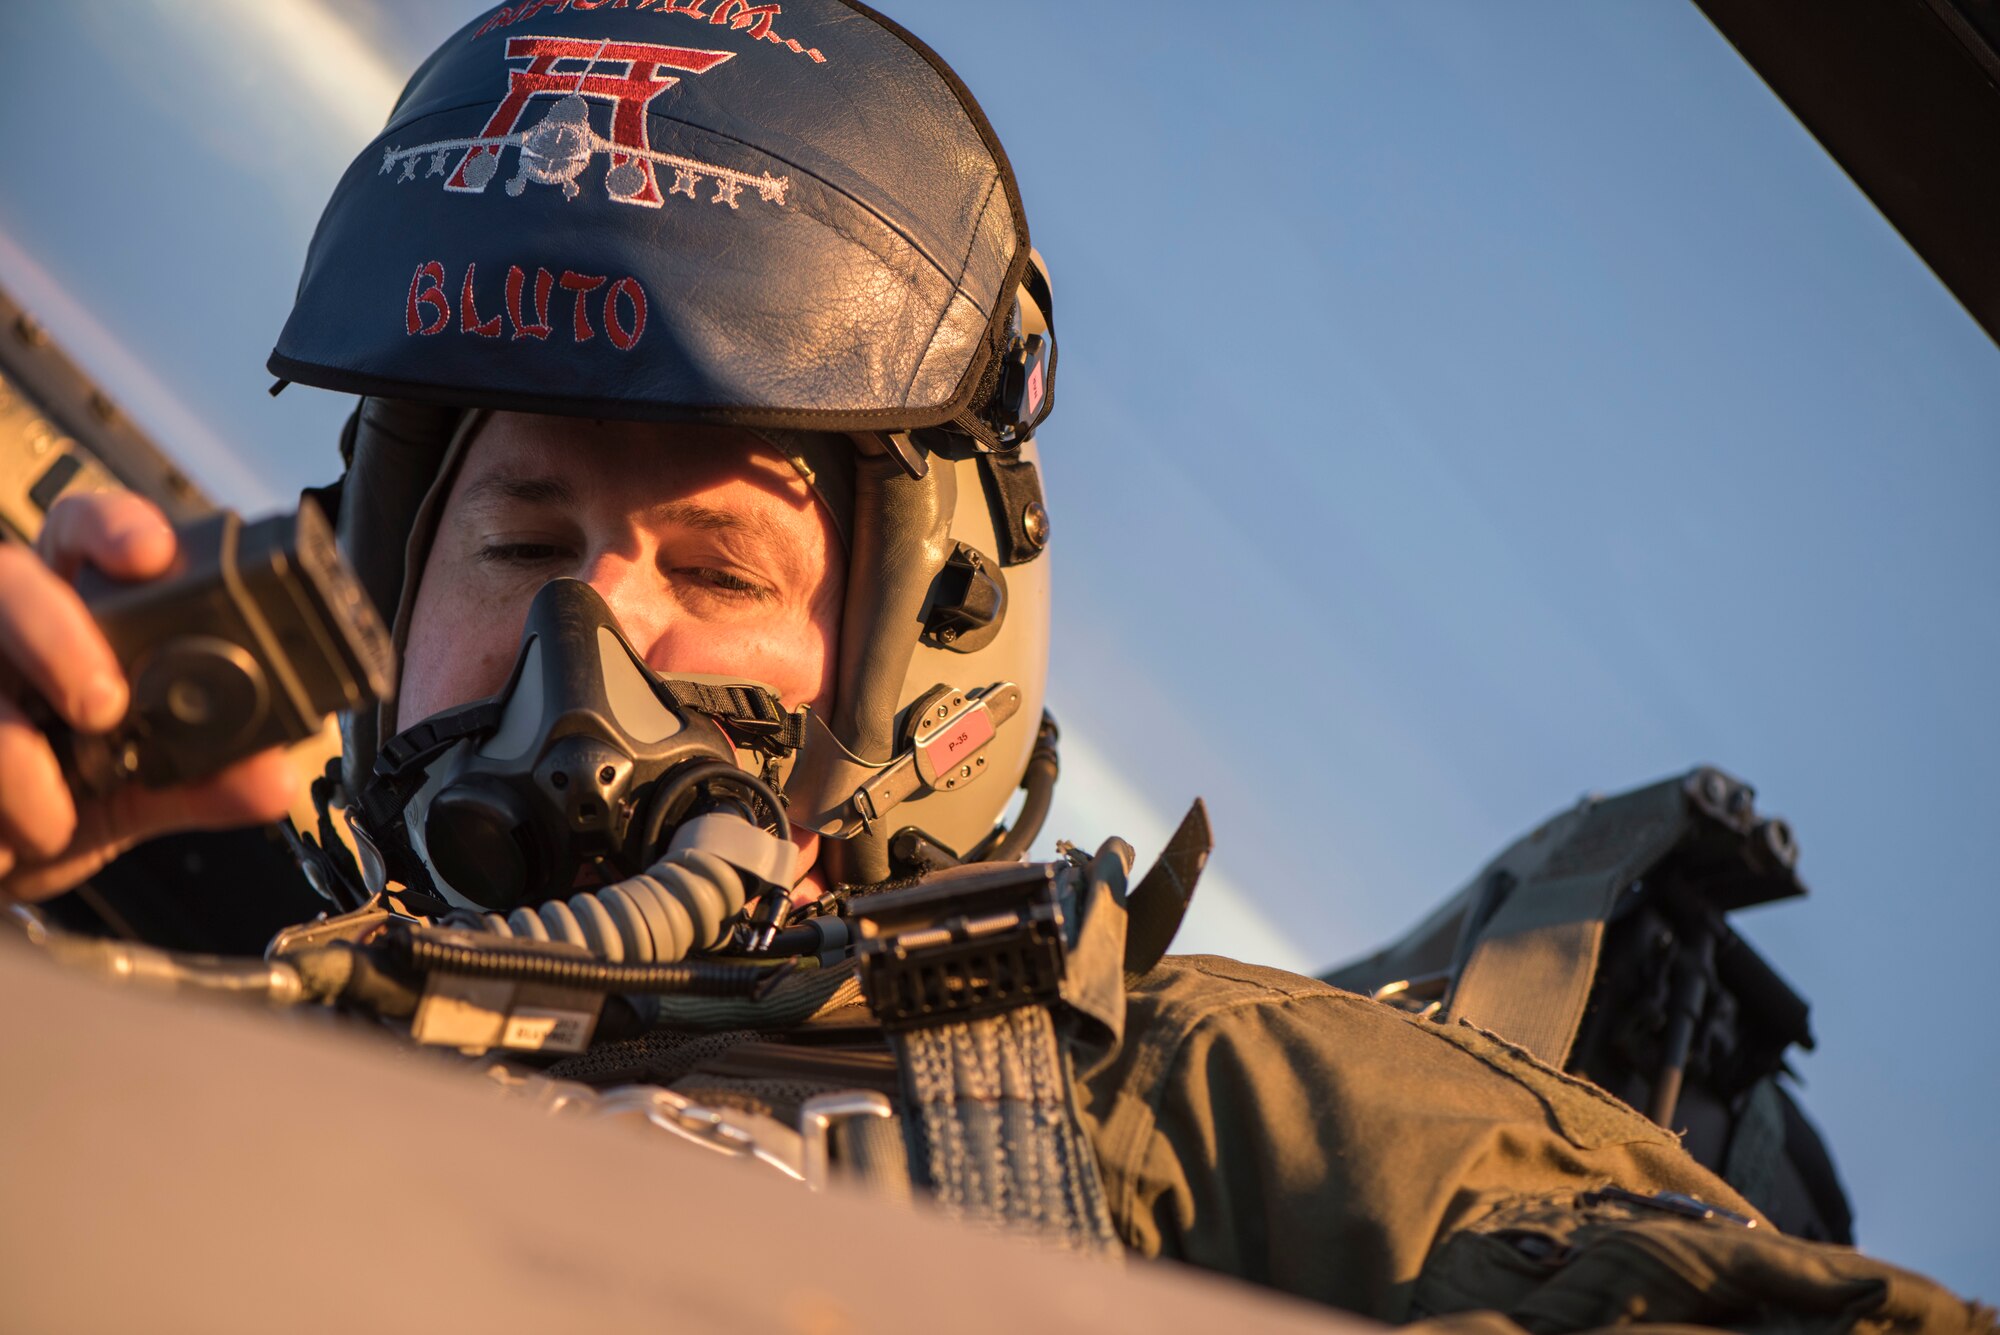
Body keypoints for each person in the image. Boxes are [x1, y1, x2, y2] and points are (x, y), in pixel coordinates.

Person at [0, 2, 1989, 1329]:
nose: (582, 638)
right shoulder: (193, 990)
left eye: (714, 560)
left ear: (916, 646)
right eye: (520, 541)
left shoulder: (1186, 1096)